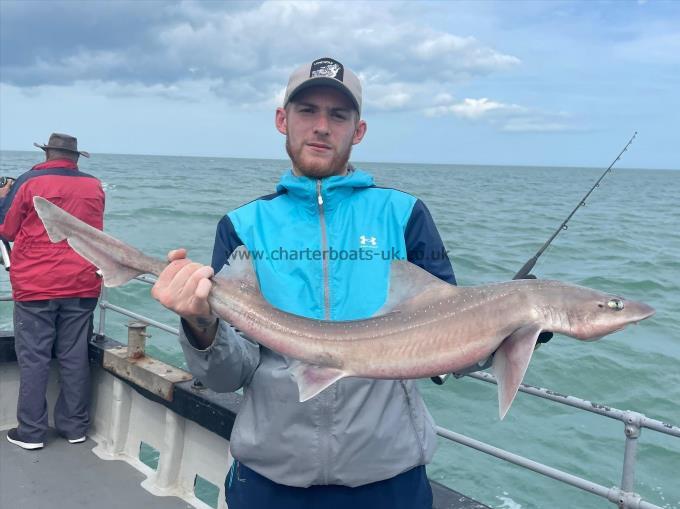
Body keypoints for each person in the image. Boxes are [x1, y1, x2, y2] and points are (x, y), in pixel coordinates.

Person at [151, 58, 454, 508]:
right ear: (282, 120)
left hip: (390, 477)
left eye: (338, 115)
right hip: (269, 479)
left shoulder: (405, 215)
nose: (322, 127)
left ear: (359, 129)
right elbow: (226, 376)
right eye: (307, 110)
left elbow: (448, 347)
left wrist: (517, 324)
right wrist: (200, 326)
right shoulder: (242, 226)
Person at [0, 133, 105, 450]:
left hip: (37, 285)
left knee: (34, 359)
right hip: (83, 282)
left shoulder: (29, 182)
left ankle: (31, 432)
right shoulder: (94, 186)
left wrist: (4, 197)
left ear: (47, 155)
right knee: (74, 356)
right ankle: (74, 427)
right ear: (75, 158)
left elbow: (6, 229)